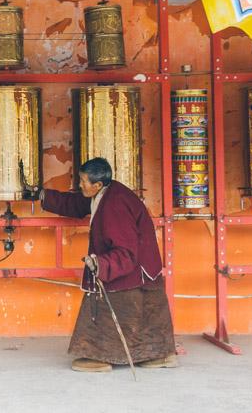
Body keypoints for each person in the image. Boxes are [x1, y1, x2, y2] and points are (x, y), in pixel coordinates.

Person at [36, 157, 177, 372]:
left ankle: (100, 357)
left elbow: (127, 252)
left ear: (98, 184)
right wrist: (42, 195)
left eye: (83, 181)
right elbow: (76, 203)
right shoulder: (103, 193)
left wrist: (100, 264)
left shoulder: (115, 205)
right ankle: (155, 356)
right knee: (145, 319)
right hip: (139, 268)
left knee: (107, 307)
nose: (80, 185)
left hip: (135, 270)